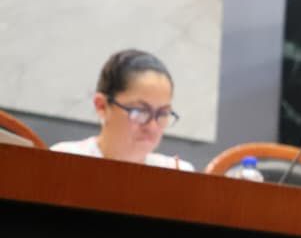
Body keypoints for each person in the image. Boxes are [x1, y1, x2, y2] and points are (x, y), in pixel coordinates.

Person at [50, 49, 193, 171]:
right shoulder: (64, 160)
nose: (152, 127)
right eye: (140, 111)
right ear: (102, 106)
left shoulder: (178, 173)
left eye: (162, 114)